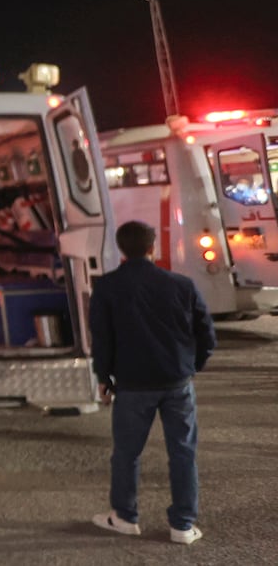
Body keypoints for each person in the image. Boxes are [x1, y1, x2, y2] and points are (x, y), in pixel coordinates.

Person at [89, 220, 216, 545]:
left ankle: (125, 517)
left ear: (121, 249)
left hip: (132, 385)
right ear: (152, 248)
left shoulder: (106, 287)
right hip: (177, 381)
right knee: (183, 452)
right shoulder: (181, 284)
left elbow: (102, 338)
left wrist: (104, 377)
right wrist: (191, 365)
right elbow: (206, 333)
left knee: (127, 454)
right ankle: (183, 526)